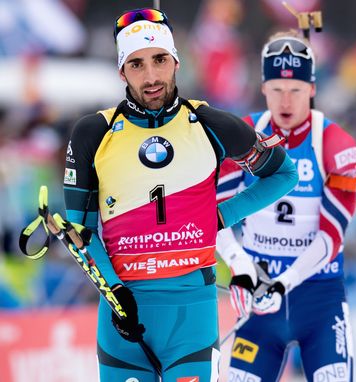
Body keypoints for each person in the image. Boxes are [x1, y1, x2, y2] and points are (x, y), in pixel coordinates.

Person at [63, 8, 297, 382]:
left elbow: (284, 175)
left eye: (159, 60)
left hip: (192, 318)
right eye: (136, 65)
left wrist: (219, 217)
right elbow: (79, 232)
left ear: (176, 61)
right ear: (122, 72)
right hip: (122, 317)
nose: (151, 76)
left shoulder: (211, 124)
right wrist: (117, 291)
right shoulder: (93, 133)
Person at [216, 31, 356, 381]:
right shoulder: (242, 135)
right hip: (260, 292)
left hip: (318, 297)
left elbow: (332, 236)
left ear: (311, 90)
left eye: (295, 90)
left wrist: (286, 282)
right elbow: (212, 219)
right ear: (263, 88)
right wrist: (241, 267)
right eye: (277, 90)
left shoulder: (334, 143)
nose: (286, 101)